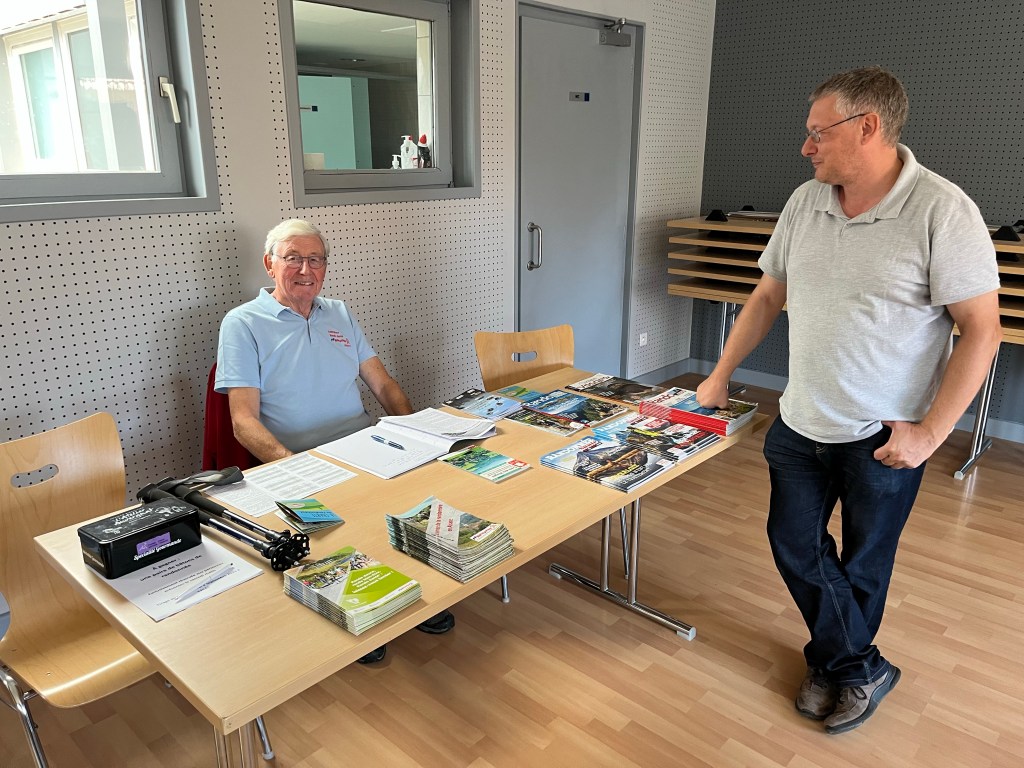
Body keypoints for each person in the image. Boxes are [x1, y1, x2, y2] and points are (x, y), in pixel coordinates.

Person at [696, 67, 1001, 734]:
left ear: (868, 127)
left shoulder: (943, 210)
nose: (806, 147)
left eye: (818, 133)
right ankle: (859, 667)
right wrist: (720, 374)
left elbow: (983, 330)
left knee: (864, 564)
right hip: (799, 419)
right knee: (793, 546)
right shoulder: (805, 202)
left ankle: (832, 665)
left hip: (883, 436)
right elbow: (768, 295)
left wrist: (930, 435)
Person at [216, 218, 455, 663]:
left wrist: (418, 433)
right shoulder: (243, 323)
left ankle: (416, 594)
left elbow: (383, 384)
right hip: (299, 457)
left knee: (411, 502)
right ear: (269, 264)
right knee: (341, 529)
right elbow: (243, 422)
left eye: (316, 259)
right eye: (293, 258)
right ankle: (360, 607)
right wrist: (296, 467)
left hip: (362, 444)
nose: (305, 270)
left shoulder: (339, 312)